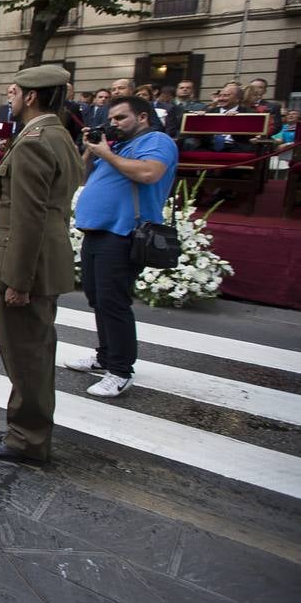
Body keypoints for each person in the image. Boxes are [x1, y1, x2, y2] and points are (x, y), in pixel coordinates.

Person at [0, 66, 84, 465]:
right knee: (32, 350)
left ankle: (28, 439)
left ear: (32, 96)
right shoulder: (57, 134)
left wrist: (17, 279)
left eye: (14, 90)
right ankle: (23, 427)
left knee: (26, 355)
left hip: (26, 265)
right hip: (45, 260)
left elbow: (28, 217)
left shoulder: (35, 140)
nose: (10, 95)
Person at [65, 95, 178, 399]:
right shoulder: (115, 146)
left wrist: (107, 153)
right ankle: (105, 356)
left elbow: (148, 173)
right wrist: (92, 152)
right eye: (110, 119)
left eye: (120, 118)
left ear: (142, 117)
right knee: (97, 298)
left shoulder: (156, 140)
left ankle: (120, 371)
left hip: (124, 233)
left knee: (114, 302)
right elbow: (79, 176)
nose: (113, 124)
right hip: (98, 232)